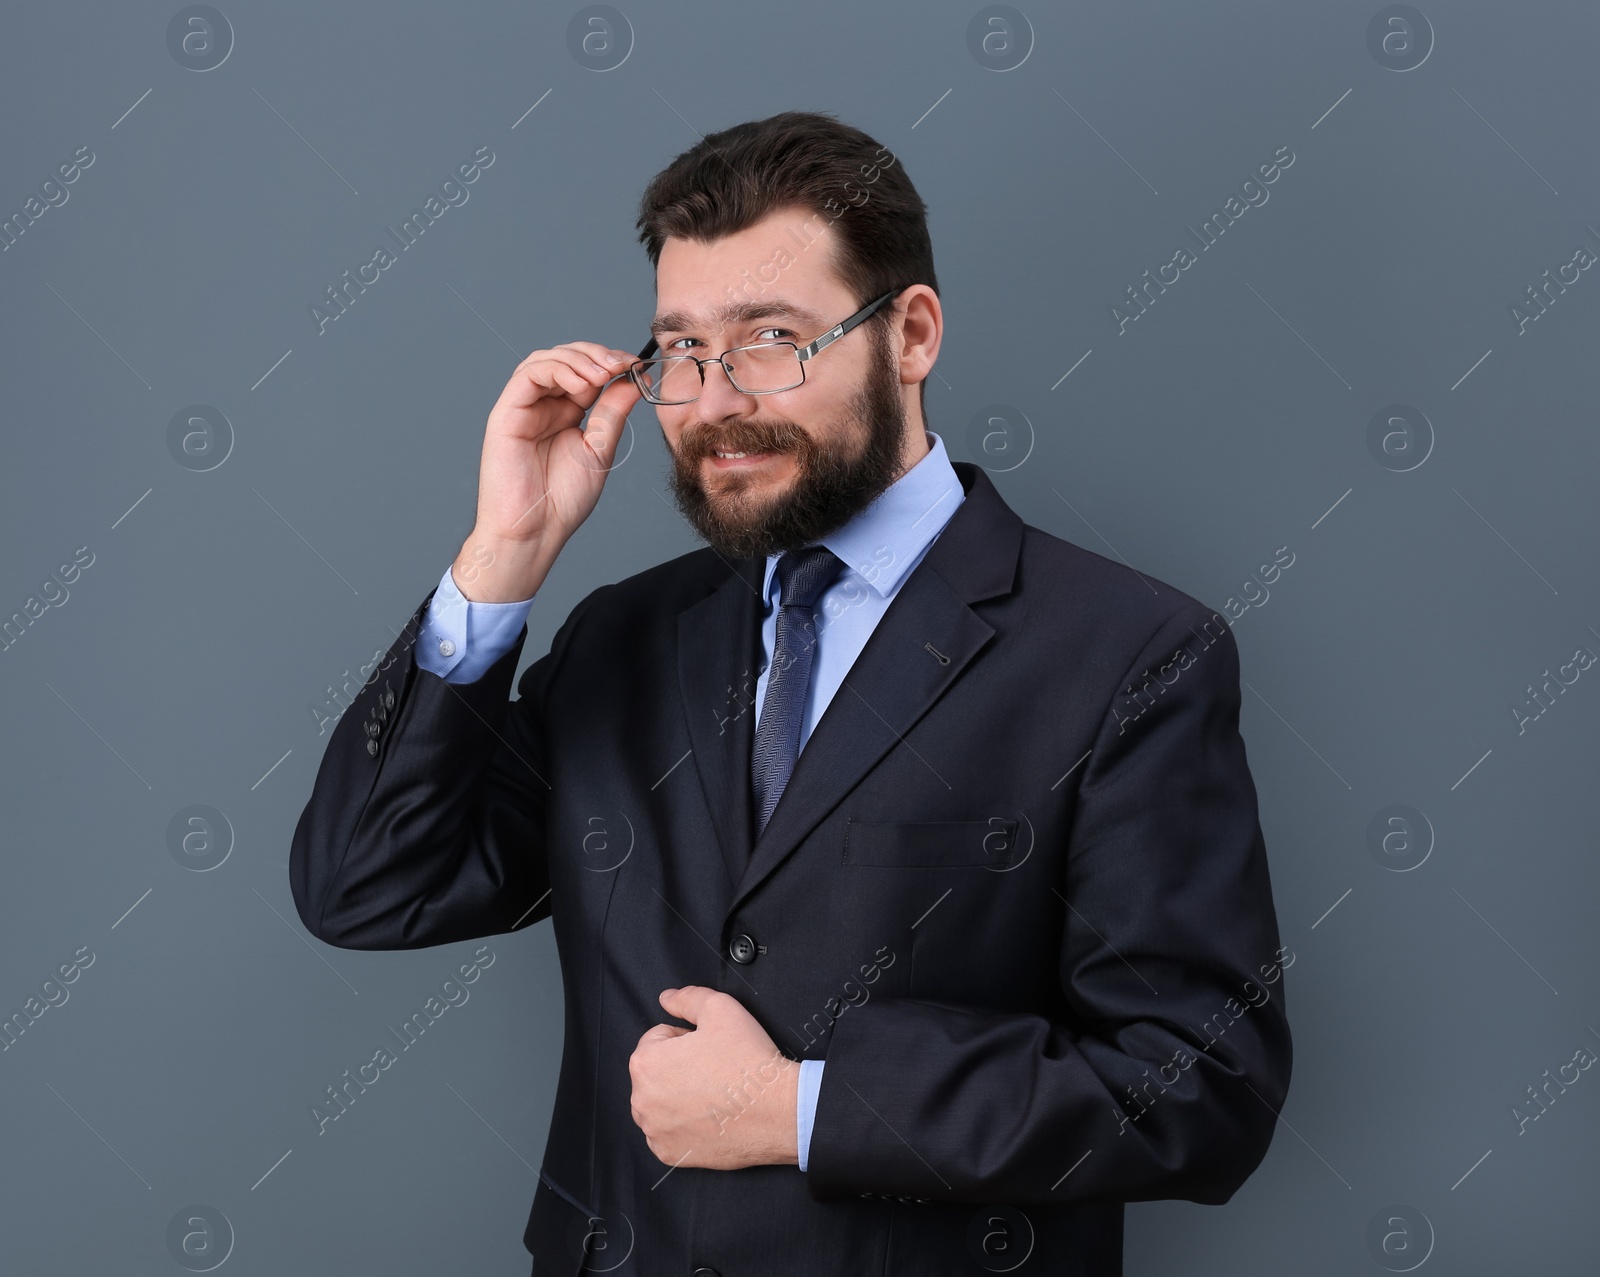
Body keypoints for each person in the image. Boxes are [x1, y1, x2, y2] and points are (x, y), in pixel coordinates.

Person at [290, 109, 1292, 1276]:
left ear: (910, 334)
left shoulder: (1130, 652)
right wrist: (503, 551)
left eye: (771, 338)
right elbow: (367, 884)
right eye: (681, 350)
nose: (717, 401)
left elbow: (1199, 1085)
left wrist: (800, 1108)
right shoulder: (625, 636)